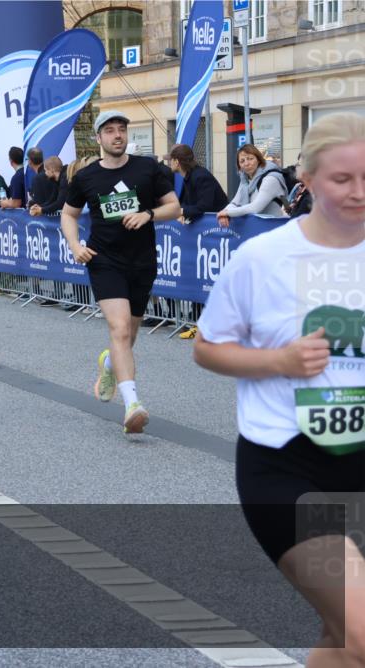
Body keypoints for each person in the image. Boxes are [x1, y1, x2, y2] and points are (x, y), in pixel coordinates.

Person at [194, 112, 365, 668]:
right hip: (292, 470)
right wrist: (280, 360)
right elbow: (207, 347)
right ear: (307, 182)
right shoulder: (261, 259)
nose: (358, 192)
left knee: (343, 637)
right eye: (343, 179)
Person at [60, 110, 180, 434]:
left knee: (130, 334)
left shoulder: (148, 168)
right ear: (98, 138)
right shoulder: (85, 177)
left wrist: (149, 215)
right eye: (110, 131)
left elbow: (175, 206)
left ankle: (110, 363)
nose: (117, 135)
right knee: (120, 328)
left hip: (141, 261)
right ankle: (132, 404)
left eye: (122, 130)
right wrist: (75, 245)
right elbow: (68, 215)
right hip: (104, 259)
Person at [218, 144, 288, 224]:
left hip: (274, 227)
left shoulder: (271, 179)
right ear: (239, 166)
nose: (247, 163)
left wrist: (228, 213)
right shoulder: (245, 181)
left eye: (250, 159)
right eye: (242, 161)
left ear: (258, 160)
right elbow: (235, 203)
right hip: (256, 228)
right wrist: (224, 214)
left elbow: (255, 208)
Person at [168, 143, 228, 224]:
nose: (169, 163)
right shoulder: (190, 176)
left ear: (176, 161)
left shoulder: (200, 176)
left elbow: (204, 206)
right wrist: (183, 213)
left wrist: (182, 211)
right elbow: (185, 203)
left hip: (219, 227)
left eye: (170, 159)